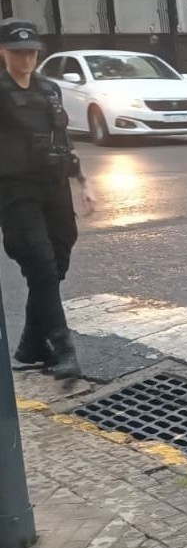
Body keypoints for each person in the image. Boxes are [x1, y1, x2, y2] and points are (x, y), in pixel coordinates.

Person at [0, 19, 96, 380]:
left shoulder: (49, 90)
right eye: (17, 52)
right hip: (16, 192)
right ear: (3, 53)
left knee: (55, 266)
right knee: (40, 264)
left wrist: (83, 182)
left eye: (31, 52)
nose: (26, 59)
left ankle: (30, 345)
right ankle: (62, 348)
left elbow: (64, 141)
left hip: (55, 189)